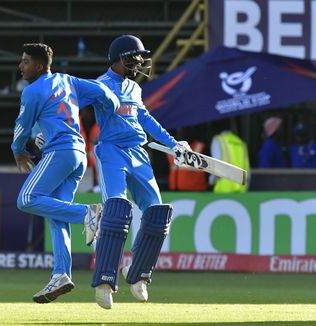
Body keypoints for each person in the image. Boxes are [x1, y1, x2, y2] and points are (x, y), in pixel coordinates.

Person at [12, 43, 120, 304]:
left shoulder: (32, 91)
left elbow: (21, 127)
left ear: (39, 66)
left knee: (26, 199)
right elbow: (105, 93)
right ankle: (61, 273)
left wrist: (18, 151)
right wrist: (112, 106)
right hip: (79, 155)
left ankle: (88, 214)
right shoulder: (68, 80)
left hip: (59, 152)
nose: (21, 66)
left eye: (25, 61)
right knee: (56, 214)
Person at [90, 35, 189, 309]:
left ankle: (138, 275)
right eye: (134, 58)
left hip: (138, 152)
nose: (139, 62)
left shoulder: (134, 88)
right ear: (120, 59)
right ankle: (105, 281)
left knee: (158, 213)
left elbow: (145, 118)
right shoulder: (99, 85)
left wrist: (173, 144)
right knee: (116, 210)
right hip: (111, 151)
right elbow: (73, 105)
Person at [209, 119, 249, 192]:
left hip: (223, 189)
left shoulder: (218, 140)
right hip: (241, 189)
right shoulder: (241, 142)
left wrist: (211, 180)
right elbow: (247, 168)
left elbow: (216, 165)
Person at [166, 127, 208, 191]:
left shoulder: (200, 146)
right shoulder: (171, 147)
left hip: (196, 189)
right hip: (174, 189)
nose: (182, 133)